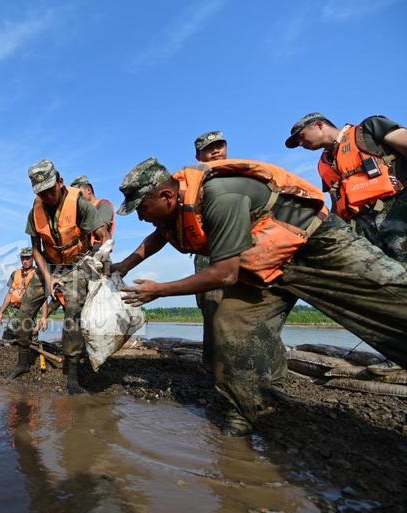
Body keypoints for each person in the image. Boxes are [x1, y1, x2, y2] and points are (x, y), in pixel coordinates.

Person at [113, 157, 407, 437]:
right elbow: (158, 237)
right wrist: (123, 266)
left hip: (318, 247)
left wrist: (159, 290)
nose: (140, 216)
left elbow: (225, 274)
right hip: (264, 265)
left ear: (166, 196)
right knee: (230, 324)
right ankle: (241, 414)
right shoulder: (175, 210)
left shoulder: (219, 195)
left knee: (393, 298)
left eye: (141, 207)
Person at [9, 160, 108, 394]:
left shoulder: (81, 204)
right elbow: (35, 250)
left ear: (60, 182)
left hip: (75, 264)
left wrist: (90, 264)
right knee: (24, 311)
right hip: (49, 266)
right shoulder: (34, 212)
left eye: (50, 190)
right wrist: (47, 278)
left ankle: (72, 375)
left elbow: (101, 235)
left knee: (73, 311)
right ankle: (23, 361)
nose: (47, 196)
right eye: (41, 193)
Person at [286, 112, 407, 262]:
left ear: (319, 125)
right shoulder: (324, 165)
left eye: (301, 136)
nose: (300, 143)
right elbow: (336, 201)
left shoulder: (368, 128)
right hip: (363, 228)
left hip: (397, 210)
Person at [192, 130, 229, 370]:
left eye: (219, 146)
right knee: (211, 307)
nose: (215, 151)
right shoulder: (196, 183)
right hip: (209, 252)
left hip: (243, 249)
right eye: (209, 148)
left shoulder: (244, 173)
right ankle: (213, 365)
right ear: (198, 155)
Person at [0, 247, 38, 341]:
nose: (25, 261)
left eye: (27, 258)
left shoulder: (37, 274)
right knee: (8, 335)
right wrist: (1, 312)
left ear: (33, 258)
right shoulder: (15, 274)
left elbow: (43, 299)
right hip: (14, 309)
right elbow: (9, 294)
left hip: (29, 310)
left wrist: (43, 317)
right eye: (23, 258)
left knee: (30, 336)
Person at [69, 175, 115, 242]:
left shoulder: (103, 204)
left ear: (88, 190)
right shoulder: (79, 210)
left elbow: (101, 231)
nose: (76, 197)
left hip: (97, 249)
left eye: (78, 193)